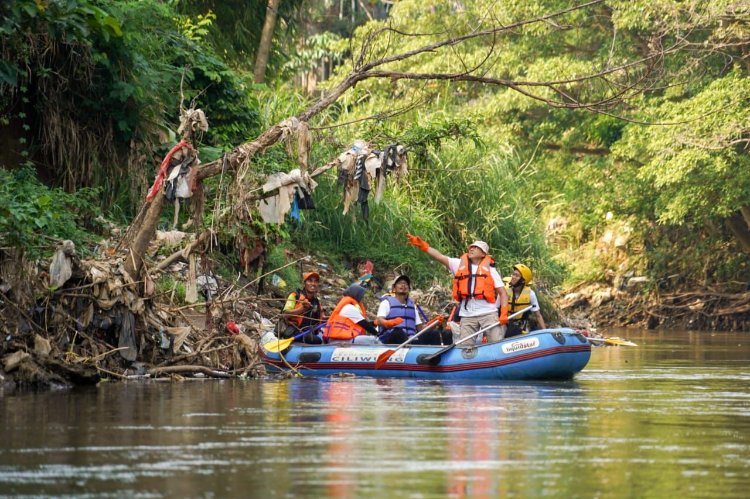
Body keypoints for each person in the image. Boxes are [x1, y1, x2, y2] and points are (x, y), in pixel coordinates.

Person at [407, 235, 509, 343]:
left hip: (488, 313)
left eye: (476, 248)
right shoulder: (459, 265)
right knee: (465, 347)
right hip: (467, 314)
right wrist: (425, 246)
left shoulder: (490, 270)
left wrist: (503, 313)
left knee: (496, 342)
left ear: (483, 254)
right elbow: (439, 257)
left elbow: (503, 293)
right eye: (471, 247)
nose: (472, 249)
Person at [376, 275, 450, 345]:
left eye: (405, 284)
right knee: (398, 331)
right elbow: (379, 321)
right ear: (394, 289)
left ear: (408, 289)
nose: (403, 285)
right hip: (391, 339)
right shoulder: (386, 302)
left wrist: (431, 324)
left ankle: (437, 356)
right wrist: (390, 323)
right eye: (400, 283)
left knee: (433, 333)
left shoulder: (412, 306)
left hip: (410, 339)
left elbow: (420, 329)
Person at [323, 284, 400, 344]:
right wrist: (378, 334)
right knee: (373, 340)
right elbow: (365, 325)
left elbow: (361, 323)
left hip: (344, 339)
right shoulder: (349, 308)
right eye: (361, 296)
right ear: (356, 295)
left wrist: (375, 322)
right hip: (338, 341)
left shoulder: (349, 306)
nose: (362, 299)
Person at [281, 272, 324, 344]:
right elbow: (285, 314)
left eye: (316, 281)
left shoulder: (316, 302)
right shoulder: (295, 296)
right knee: (317, 341)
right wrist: (303, 309)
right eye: (310, 281)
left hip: (308, 332)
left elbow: (319, 319)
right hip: (293, 331)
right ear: (304, 283)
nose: (313, 284)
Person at [504, 264, 546, 337]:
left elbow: (538, 315)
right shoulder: (504, 291)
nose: (513, 277)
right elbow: (495, 309)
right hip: (504, 324)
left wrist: (545, 332)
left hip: (520, 325)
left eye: (516, 276)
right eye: (513, 274)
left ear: (523, 281)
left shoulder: (530, 294)